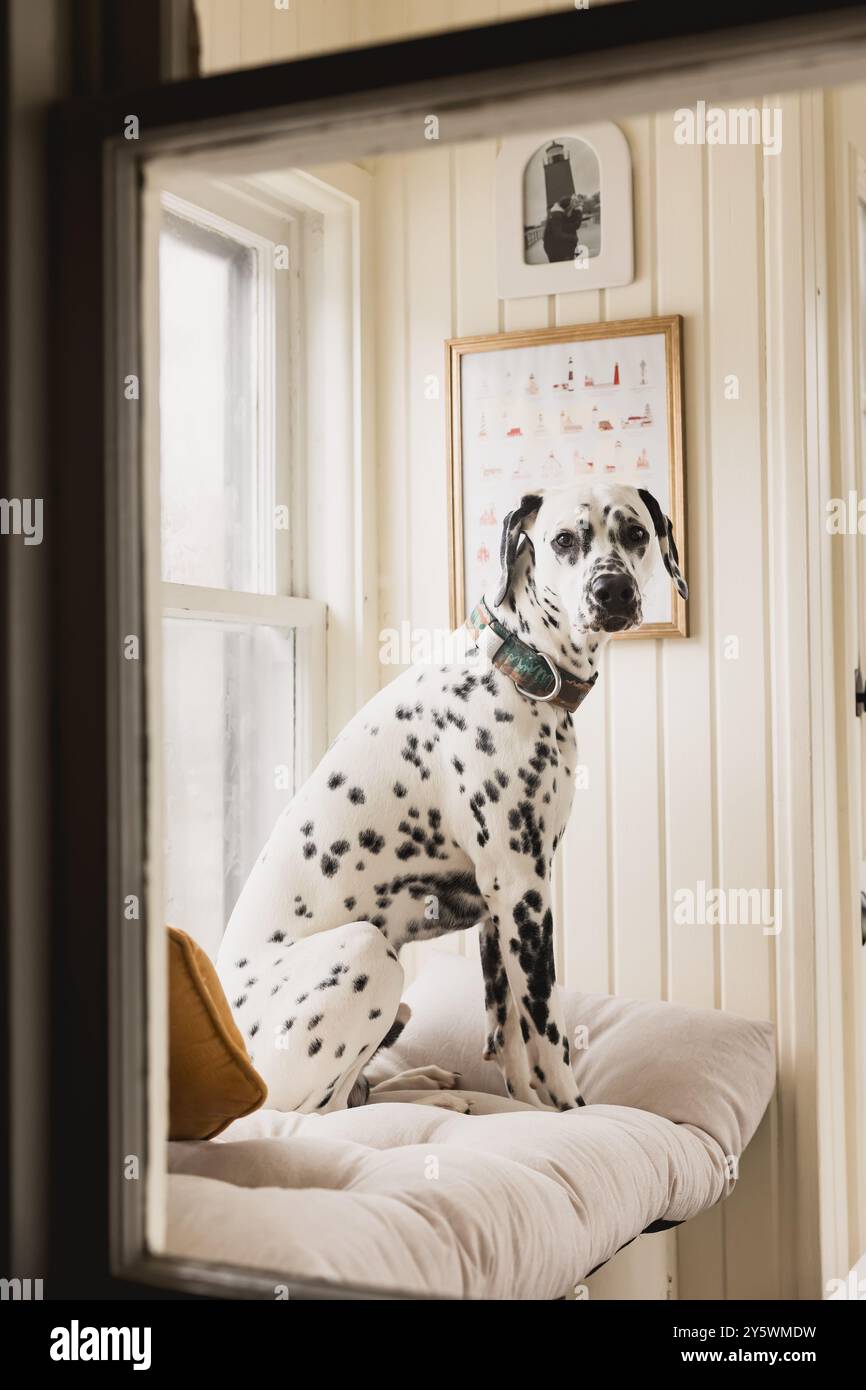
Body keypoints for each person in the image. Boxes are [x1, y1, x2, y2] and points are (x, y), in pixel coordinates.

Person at [542, 193, 584, 263]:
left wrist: (578, 211)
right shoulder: (557, 215)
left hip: (556, 248)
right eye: (571, 208)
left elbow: (572, 225)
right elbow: (558, 234)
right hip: (555, 250)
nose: (572, 210)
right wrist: (573, 238)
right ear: (567, 208)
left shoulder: (559, 213)